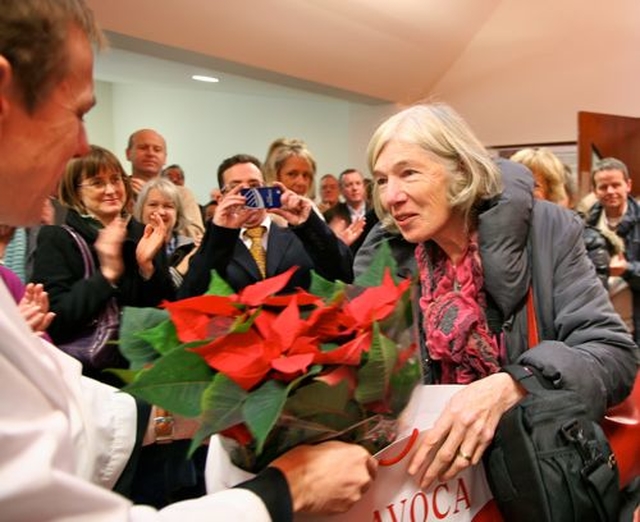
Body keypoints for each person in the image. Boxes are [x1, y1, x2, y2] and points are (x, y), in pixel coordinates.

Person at [0, 1, 377, 520]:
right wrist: (284, 493)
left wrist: (192, 409)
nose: (81, 146)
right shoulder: (199, 238)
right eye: (80, 114)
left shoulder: (294, 227)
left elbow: (62, 415)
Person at [366, 102, 637, 502]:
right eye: (381, 179)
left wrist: (515, 383)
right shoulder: (385, 259)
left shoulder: (546, 230)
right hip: (434, 489)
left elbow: (612, 354)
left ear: (460, 169)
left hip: (535, 478)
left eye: (408, 173)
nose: (391, 196)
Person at [31, 144, 176, 382]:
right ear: (76, 192)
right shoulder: (58, 238)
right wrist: (107, 275)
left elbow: (166, 311)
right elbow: (54, 322)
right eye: (97, 183)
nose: (111, 190)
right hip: (87, 378)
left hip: (143, 373)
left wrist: (146, 267)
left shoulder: (144, 234)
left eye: (116, 179)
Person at [179, 154, 354, 298]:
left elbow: (343, 273)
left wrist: (309, 222)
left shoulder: (300, 235)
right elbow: (191, 295)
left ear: (267, 190)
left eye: (255, 186)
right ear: (221, 199)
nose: (248, 195)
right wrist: (221, 231)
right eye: (237, 188)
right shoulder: (216, 245)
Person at [510, 147, 620, 288]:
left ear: (554, 192)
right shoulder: (504, 237)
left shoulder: (586, 241)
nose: (525, 192)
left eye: (535, 185)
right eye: (518, 184)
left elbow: (588, 301)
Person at [585, 157, 640, 343]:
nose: (610, 191)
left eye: (616, 185)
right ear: (594, 190)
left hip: (634, 326)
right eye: (603, 187)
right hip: (598, 325)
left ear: (628, 185)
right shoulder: (585, 224)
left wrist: (628, 269)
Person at [126, 128, 205, 239]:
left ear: (165, 158)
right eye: (143, 148)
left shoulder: (182, 194)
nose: (150, 153)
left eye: (157, 149)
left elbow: (197, 236)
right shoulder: (119, 192)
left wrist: (148, 194)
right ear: (128, 153)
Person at [133, 177, 198, 289]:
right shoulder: (129, 246)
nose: (160, 212)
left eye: (168, 206)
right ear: (141, 209)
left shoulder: (193, 248)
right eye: (153, 204)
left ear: (178, 213)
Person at [331, 168, 378, 253]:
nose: (355, 188)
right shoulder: (332, 215)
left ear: (364, 186)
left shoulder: (377, 211)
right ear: (341, 190)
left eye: (358, 183)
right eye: (349, 185)